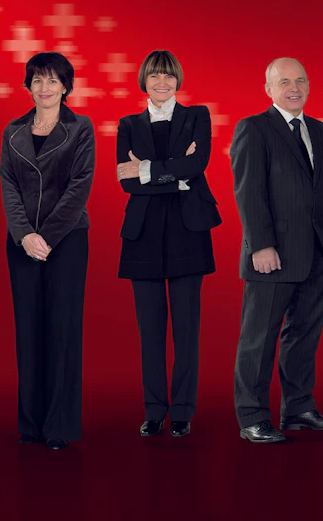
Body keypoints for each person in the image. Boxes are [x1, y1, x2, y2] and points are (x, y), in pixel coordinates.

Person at [229, 57, 323, 443]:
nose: (293, 88)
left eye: (299, 81)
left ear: (309, 85)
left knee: (304, 334)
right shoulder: (254, 128)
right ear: (269, 89)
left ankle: (299, 409)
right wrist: (260, 245)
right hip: (272, 254)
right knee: (258, 339)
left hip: (318, 252)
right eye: (284, 82)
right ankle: (252, 418)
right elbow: (249, 191)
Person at [116, 50, 221, 439]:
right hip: (142, 234)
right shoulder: (127, 124)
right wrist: (173, 174)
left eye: (169, 77)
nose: (162, 84)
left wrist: (146, 169)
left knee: (186, 327)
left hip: (187, 229)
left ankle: (182, 410)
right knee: (150, 331)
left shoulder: (198, 116)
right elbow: (126, 182)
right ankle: (154, 410)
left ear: (178, 79)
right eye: (155, 77)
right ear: (143, 80)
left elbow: (198, 166)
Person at [0, 52, 94, 451]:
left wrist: (47, 238)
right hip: (22, 244)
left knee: (62, 331)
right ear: (28, 86)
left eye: (53, 81)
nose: (45, 88)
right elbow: (7, 185)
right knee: (29, 332)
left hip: (67, 241)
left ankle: (59, 426)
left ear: (66, 86)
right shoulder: (13, 130)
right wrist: (24, 235)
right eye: (37, 80)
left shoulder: (80, 128)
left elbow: (80, 186)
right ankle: (30, 425)